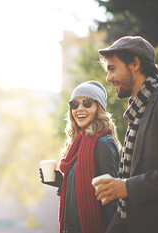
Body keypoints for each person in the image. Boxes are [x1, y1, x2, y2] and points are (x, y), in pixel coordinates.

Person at [95, 35, 158, 233]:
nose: (108, 78)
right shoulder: (137, 110)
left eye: (112, 68)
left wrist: (128, 187)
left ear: (135, 64)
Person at [40, 81, 121, 233]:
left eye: (87, 103)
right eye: (75, 105)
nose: (80, 109)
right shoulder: (77, 145)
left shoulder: (103, 143)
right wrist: (61, 183)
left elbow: (111, 202)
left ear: (99, 108)